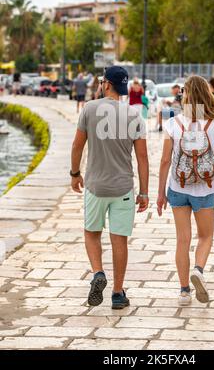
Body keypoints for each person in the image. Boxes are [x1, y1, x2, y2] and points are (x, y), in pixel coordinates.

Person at [70, 66, 149, 310]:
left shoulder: (89, 109)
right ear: (123, 87)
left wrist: (75, 174)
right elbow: (143, 158)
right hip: (123, 187)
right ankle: (117, 293)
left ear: (106, 84)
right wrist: (144, 191)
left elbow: (77, 146)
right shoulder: (135, 115)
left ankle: (97, 273)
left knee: (92, 233)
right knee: (119, 240)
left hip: (95, 185)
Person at [157, 75, 214, 306]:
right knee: (206, 236)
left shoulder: (173, 123)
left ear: (185, 95)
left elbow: (165, 160)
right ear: (207, 95)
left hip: (178, 187)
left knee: (182, 240)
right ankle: (198, 269)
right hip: (205, 189)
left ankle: (184, 291)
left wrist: (160, 193)